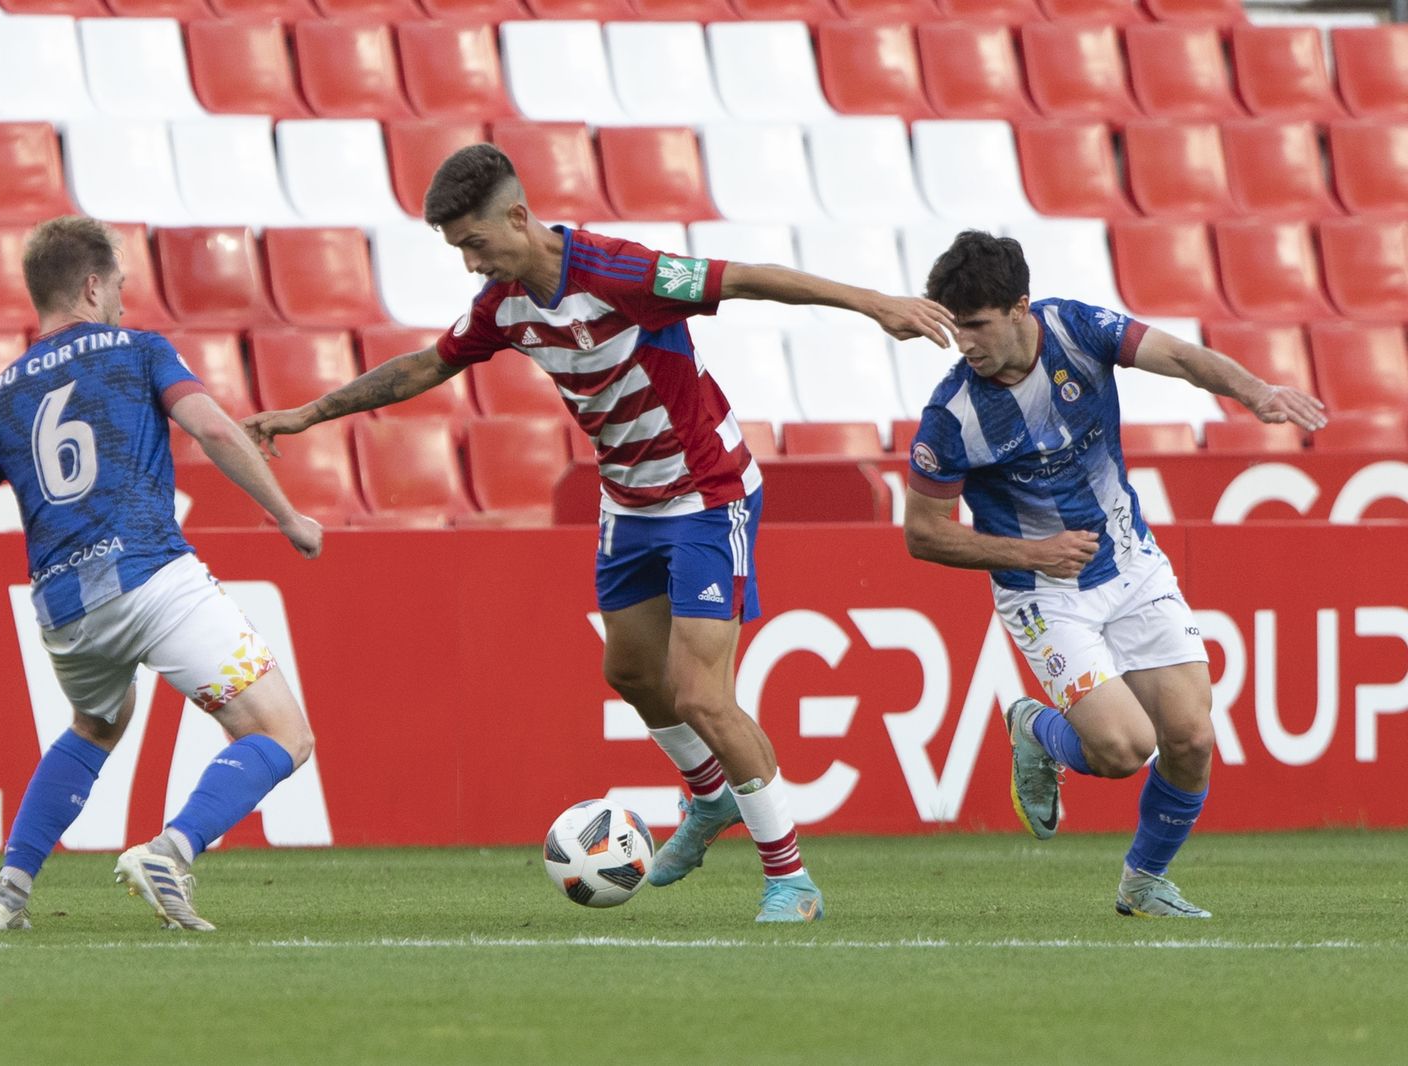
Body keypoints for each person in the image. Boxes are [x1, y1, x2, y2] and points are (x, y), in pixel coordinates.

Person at [242, 144, 956, 923]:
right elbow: (424, 366)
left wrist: (876, 303)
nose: (471, 264)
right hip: (629, 504)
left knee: (701, 697)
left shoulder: (622, 273)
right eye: (459, 251)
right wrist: (309, 414)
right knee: (631, 674)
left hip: (707, 495)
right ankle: (710, 800)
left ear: (519, 216)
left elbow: (747, 278)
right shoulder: (502, 307)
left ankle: (790, 879)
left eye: (475, 244)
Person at [0, 216, 324, 932]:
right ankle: (171, 850)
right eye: (119, 283)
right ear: (92, 286)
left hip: (67, 609)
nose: (123, 298)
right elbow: (214, 428)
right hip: (154, 577)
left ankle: (6, 893)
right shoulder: (140, 351)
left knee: (96, 724)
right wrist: (286, 515)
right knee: (284, 736)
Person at [902, 231, 1327, 918]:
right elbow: (922, 534)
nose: (965, 344)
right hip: (1043, 592)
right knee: (1124, 748)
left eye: (975, 326)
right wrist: (1030, 554)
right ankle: (1036, 729)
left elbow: (1180, 356)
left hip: (1129, 562)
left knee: (1191, 739)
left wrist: (1255, 392)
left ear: (1019, 308)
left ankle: (1143, 882)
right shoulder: (952, 417)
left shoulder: (1077, 328)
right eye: (955, 328)